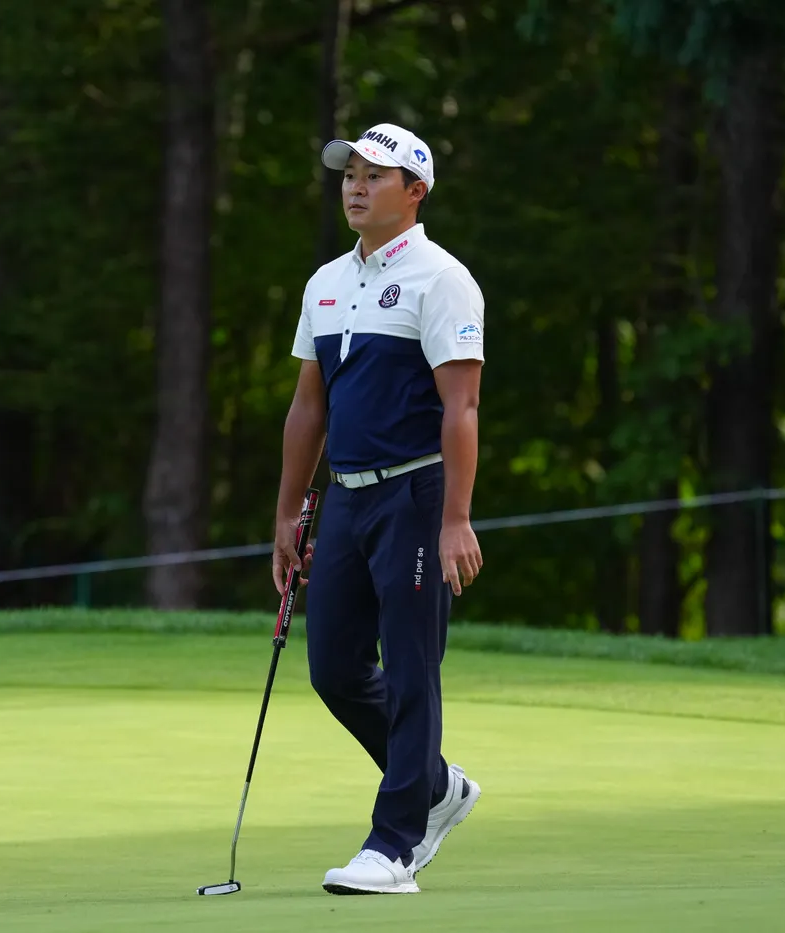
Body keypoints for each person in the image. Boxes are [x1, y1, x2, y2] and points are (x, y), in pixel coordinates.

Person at [271, 122, 485, 895]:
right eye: (349, 174)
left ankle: (394, 845)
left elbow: (461, 407)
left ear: (415, 191)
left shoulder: (442, 279)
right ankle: (436, 783)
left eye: (374, 175)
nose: (356, 187)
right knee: (333, 666)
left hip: (417, 494)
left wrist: (455, 516)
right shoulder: (325, 282)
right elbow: (309, 407)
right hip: (347, 498)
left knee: (412, 666)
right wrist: (288, 514)